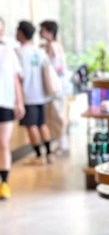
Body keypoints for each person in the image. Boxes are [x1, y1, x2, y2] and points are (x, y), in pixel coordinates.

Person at [15, 20, 53, 164]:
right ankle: (49, 153)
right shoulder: (40, 51)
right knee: (41, 124)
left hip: (27, 95)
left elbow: (19, 75)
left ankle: (38, 156)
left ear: (21, 33)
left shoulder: (19, 53)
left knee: (31, 126)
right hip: (41, 94)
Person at [0, 16, 25, 198]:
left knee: (3, 143)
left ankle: (4, 183)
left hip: (5, 102)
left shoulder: (9, 51)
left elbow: (15, 78)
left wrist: (19, 101)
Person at [39, 19, 70, 154]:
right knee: (57, 113)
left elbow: (51, 65)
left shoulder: (51, 46)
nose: (40, 32)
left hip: (56, 85)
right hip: (60, 84)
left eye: (42, 30)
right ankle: (61, 142)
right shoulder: (57, 45)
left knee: (57, 114)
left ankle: (63, 143)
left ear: (49, 32)